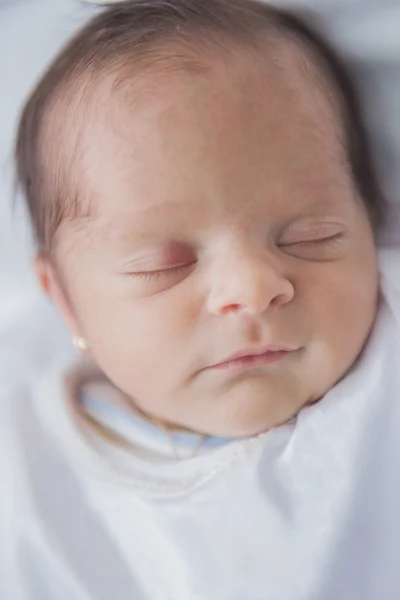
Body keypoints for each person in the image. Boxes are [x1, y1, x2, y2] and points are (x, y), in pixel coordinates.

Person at [3, 0, 400, 597]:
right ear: (64, 303)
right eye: (164, 265)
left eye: (311, 236)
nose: (251, 288)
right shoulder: (32, 485)